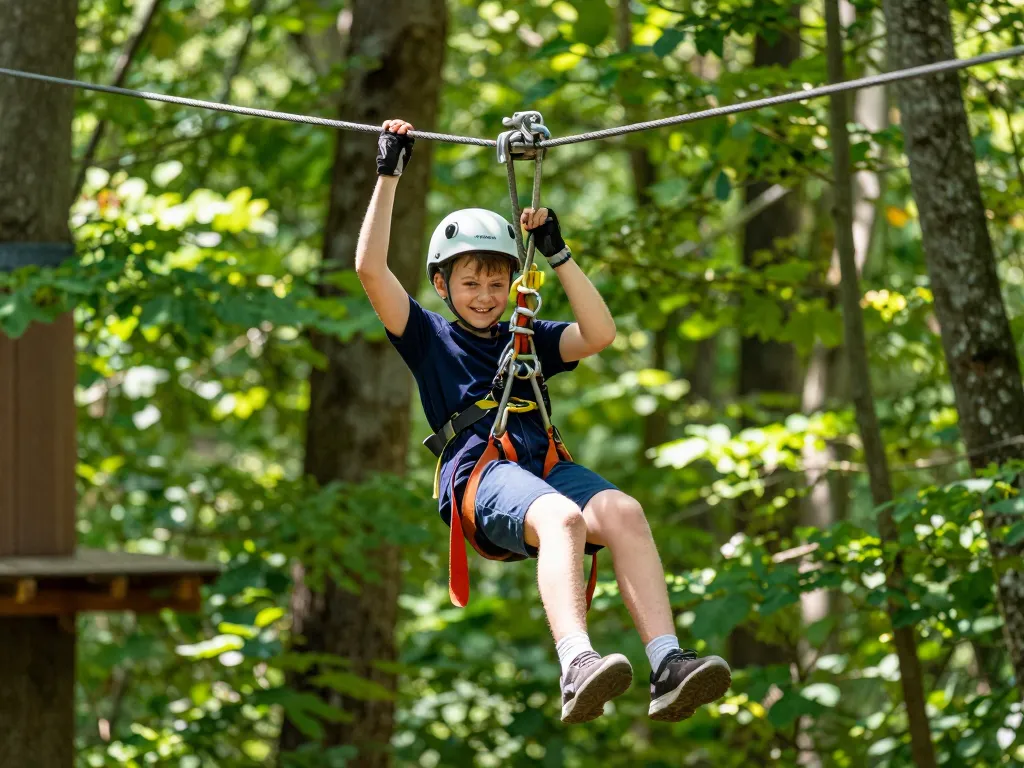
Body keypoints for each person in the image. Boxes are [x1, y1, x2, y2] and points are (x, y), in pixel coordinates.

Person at [356, 118, 731, 724]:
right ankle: (576, 663)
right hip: (482, 477)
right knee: (562, 518)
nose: (484, 294)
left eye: (497, 281)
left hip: (542, 466)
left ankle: (667, 664)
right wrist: (388, 172)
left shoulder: (525, 334)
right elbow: (371, 271)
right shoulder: (428, 337)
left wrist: (558, 252)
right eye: (470, 281)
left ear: (512, 284)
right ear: (441, 285)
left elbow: (599, 333)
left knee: (624, 513)